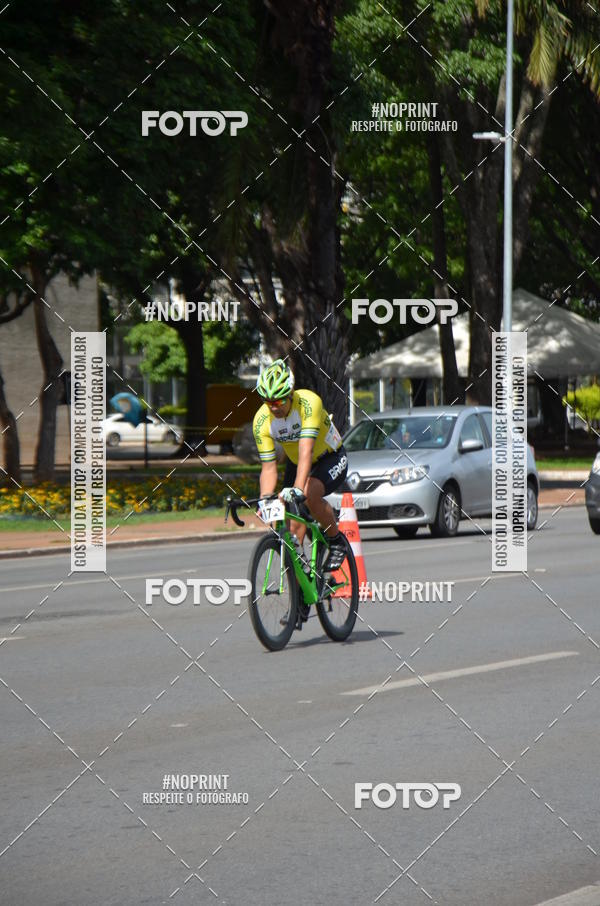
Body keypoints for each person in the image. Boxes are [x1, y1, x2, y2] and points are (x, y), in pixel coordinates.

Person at [253, 359, 348, 574]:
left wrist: (296, 489)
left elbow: (306, 451)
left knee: (308, 493)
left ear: (291, 394)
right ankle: (303, 579)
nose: (273, 407)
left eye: (279, 401)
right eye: (268, 402)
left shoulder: (308, 403)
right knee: (291, 529)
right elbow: (268, 467)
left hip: (329, 457)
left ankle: (336, 541)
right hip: (297, 464)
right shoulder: (261, 420)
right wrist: (264, 497)